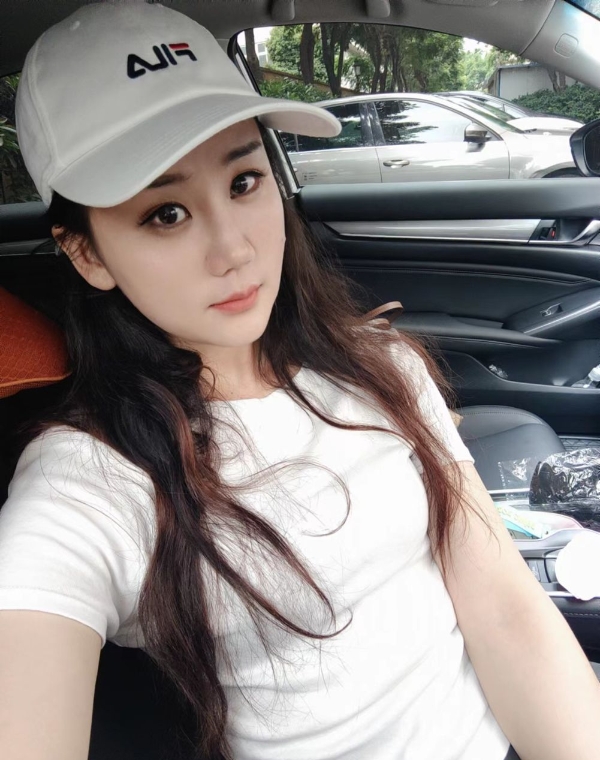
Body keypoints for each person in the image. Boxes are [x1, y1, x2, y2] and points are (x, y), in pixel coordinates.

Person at [0, 3, 599, 760]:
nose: (233, 249)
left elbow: (504, 608)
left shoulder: (381, 366)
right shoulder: (92, 480)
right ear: (87, 253)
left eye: (244, 180)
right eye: (166, 213)